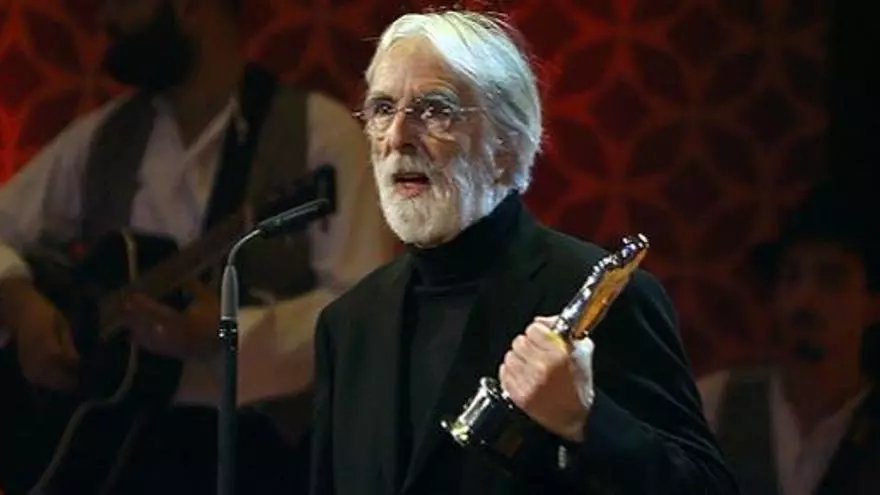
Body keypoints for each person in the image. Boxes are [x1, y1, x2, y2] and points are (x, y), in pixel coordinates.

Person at [309, 10, 740, 495]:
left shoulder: (602, 294)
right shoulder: (348, 325)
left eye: (435, 109)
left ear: (508, 146)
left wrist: (587, 419)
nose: (397, 137)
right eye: (383, 108)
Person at [0, 0, 393, 493]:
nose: (104, 18)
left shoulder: (320, 135)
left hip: (259, 464)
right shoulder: (104, 135)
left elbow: (364, 321)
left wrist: (227, 335)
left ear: (188, 8)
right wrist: (20, 302)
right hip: (104, 459)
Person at [698, 182, 880, 495]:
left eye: (830, 279)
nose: (804, 299)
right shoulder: (713, 405)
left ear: (872, 305)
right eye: (791, 277)